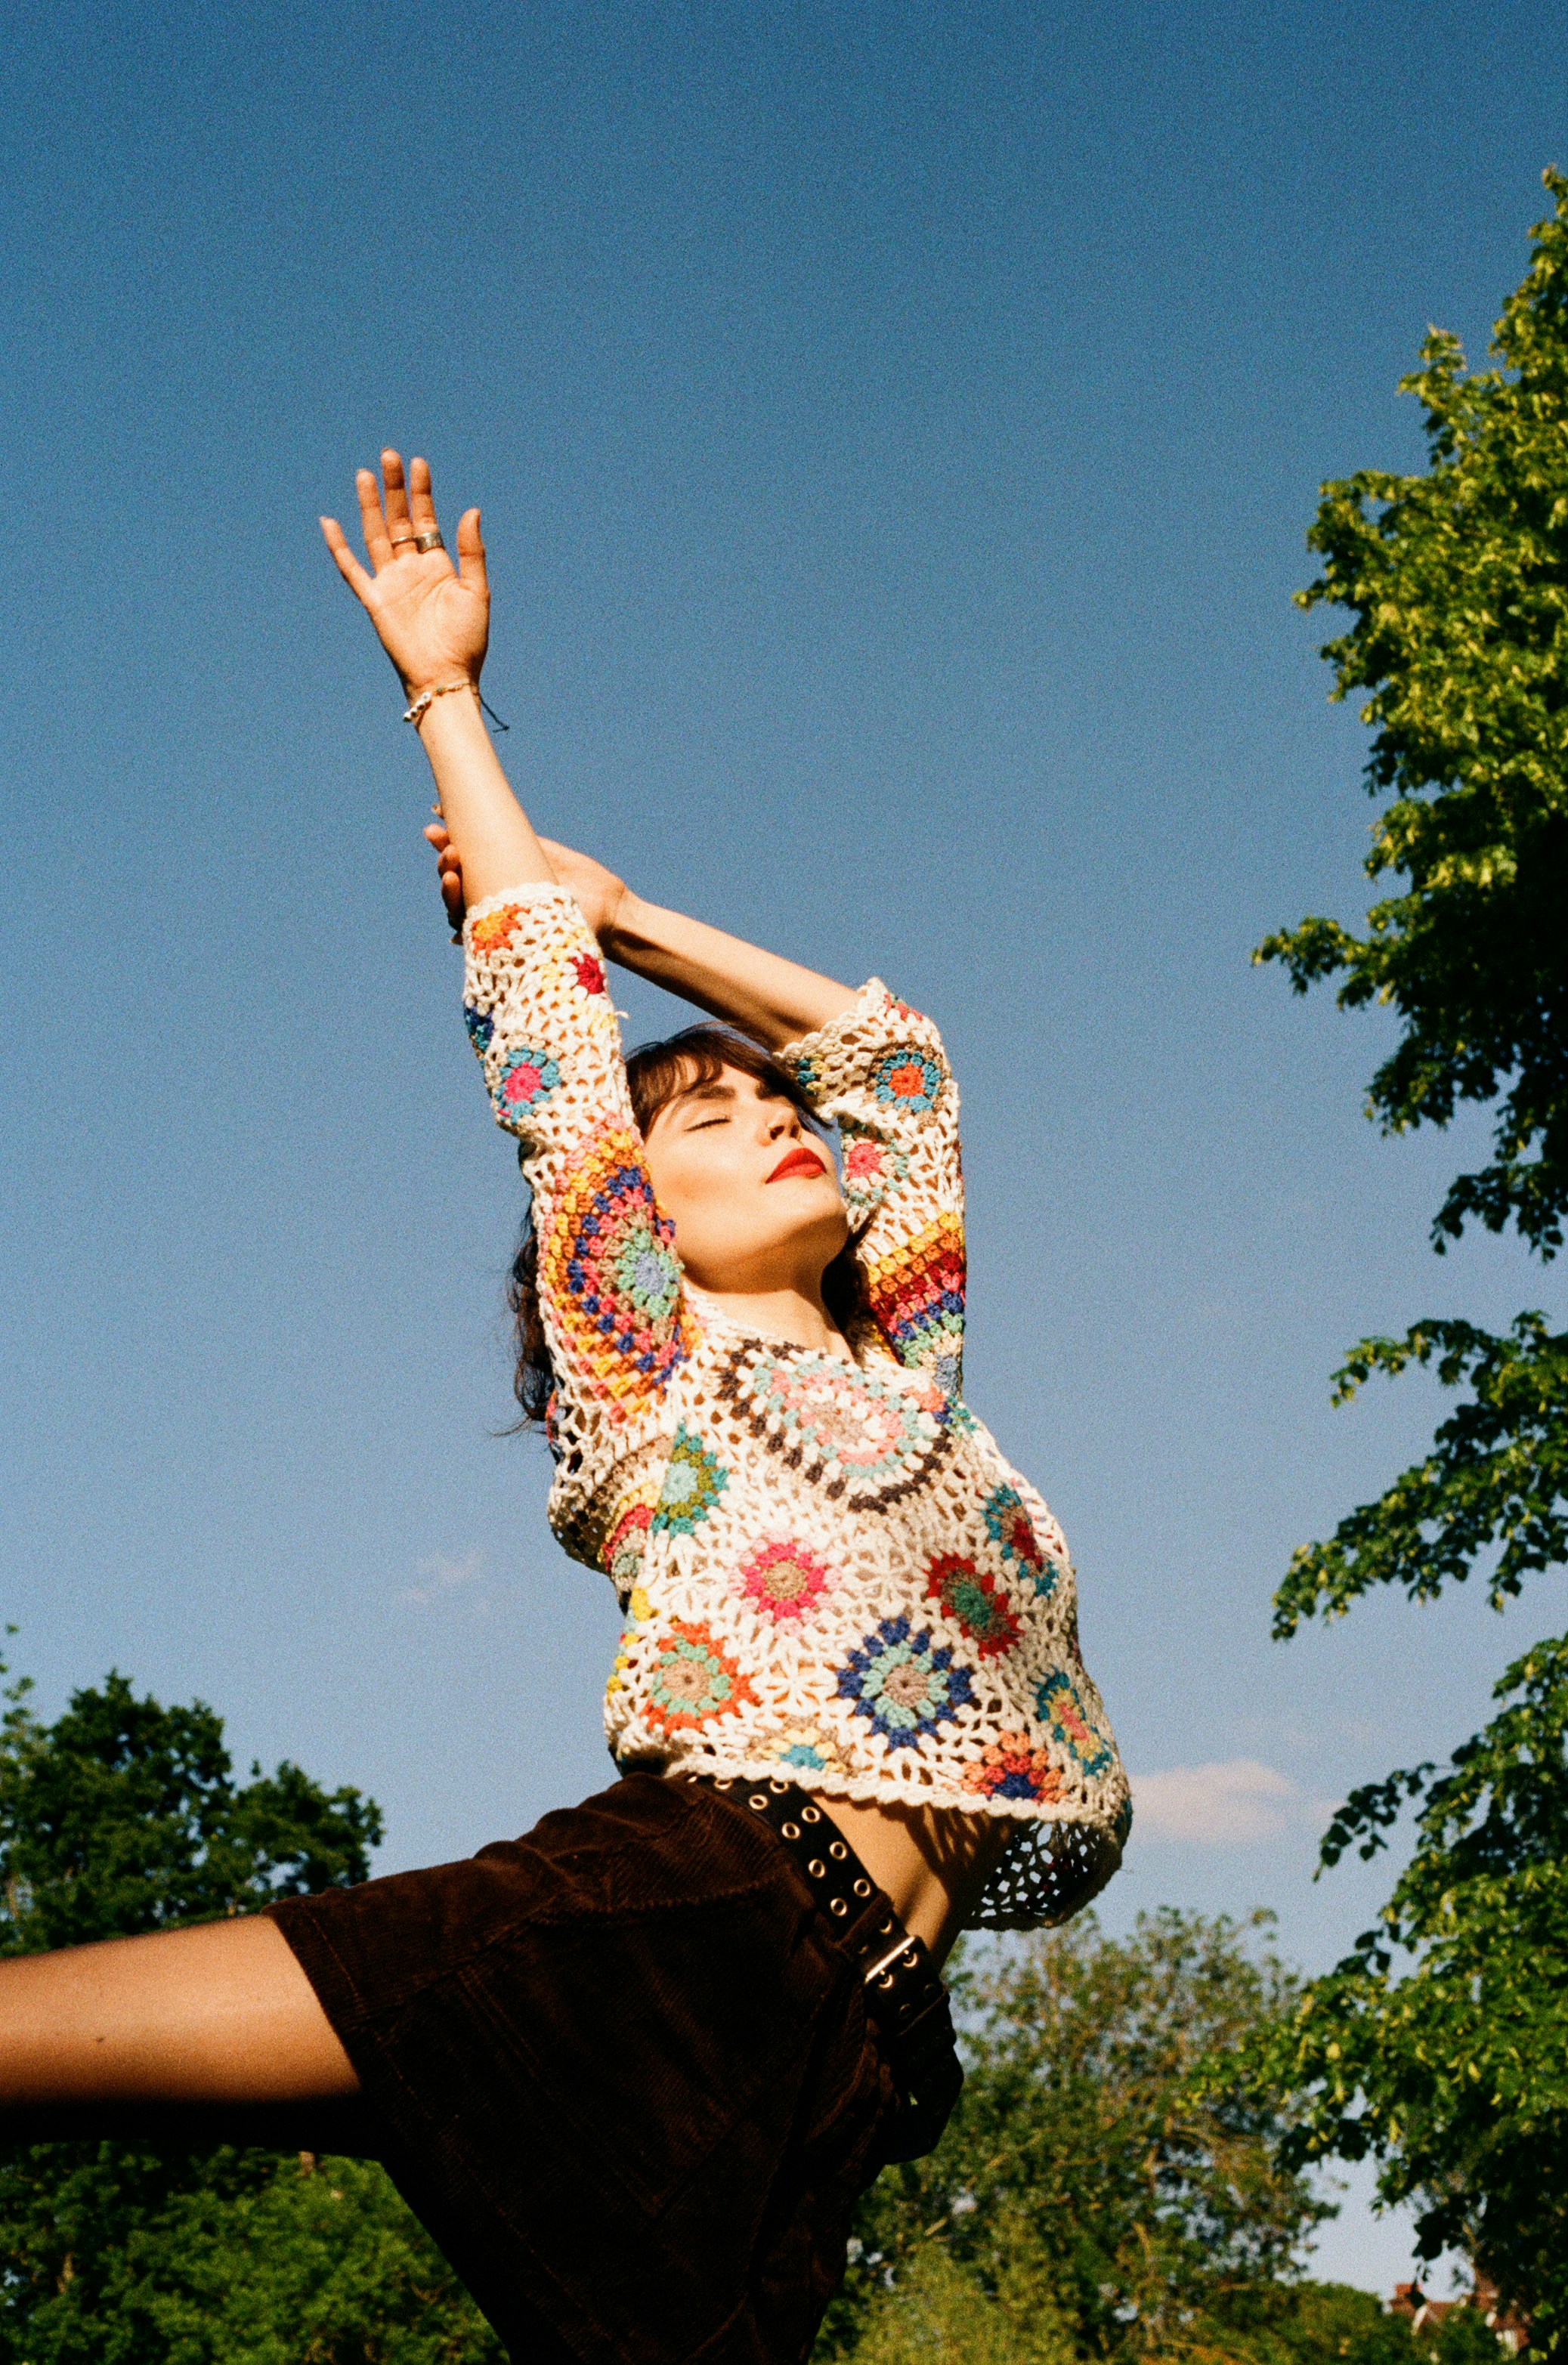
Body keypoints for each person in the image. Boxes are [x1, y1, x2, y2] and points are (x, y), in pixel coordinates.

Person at [0, 453, 1129, 2365]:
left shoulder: (908, 1374)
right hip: (681, 1919)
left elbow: (900, 1065)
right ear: (629, 1217)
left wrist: (632, 904)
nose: (779, 1115)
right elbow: (539, 1016)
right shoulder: (652, 1353)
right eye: (709, 1117)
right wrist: (451, 703)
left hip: (848, 2049)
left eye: (776, 1110)